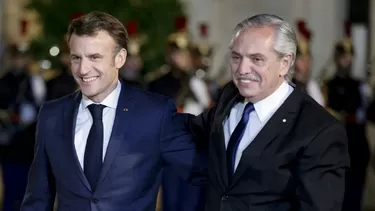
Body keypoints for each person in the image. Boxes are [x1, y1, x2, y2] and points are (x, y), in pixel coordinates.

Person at [21, 11, 206, 211]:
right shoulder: (52, 115)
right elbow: (38, 199)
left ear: (120, 58)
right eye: (76, 58)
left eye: (94, 57)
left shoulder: (154, 114)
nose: (83, 69)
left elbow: (206, 171)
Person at [186, 14, 350, 210]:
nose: (243, 69)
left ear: (285, 63)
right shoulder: (229, 97)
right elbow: (187, 130)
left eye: (257, 59)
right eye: (236, 57)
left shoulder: (320, 131)